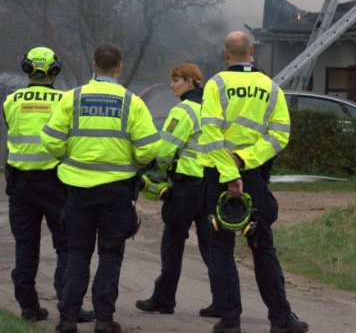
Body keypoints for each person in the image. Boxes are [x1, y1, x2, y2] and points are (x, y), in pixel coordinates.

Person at [41, 43, 161, 333]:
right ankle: (104, 320)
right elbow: (149, 147)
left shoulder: (72, 98)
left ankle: (68, 319)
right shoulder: (132, 102)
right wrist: (132, 161)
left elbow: (51, 140)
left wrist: (70, 159)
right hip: (116, 192)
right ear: (119, 68)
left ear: (94, 66)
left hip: (78, 191)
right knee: (110, 254)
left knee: (78, 254)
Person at [198, 32, 309, 333]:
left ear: (225, 54)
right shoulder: (271, 87)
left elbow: (209, 133)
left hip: (218, 174)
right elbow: (279, 135)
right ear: (252, 51)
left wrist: (229, 172)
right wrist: (245, 161)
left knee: (220, 247)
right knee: (262, 246)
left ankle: (230, 321)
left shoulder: (216, 84)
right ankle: (281, 318)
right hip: (253, 175)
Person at [3, 47, 94, 324]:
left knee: (25, 245)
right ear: (55, 70)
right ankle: (69, 306)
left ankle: (29, 308)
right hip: (57, 184)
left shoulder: (11, 100)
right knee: (65, 245)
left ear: (27, 68)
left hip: (20, 184)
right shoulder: (66, 100)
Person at [135, 64, 219, 317]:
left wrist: (153, 172)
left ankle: (164, 299)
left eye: (176, 80)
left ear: (191, 82)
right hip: (209, 186)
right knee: (211, 246)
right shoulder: (212, 108)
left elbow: (165, 148)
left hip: (185, 188)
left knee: (172, 244)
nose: (172, 85)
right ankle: (223, 301)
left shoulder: (183, 110)